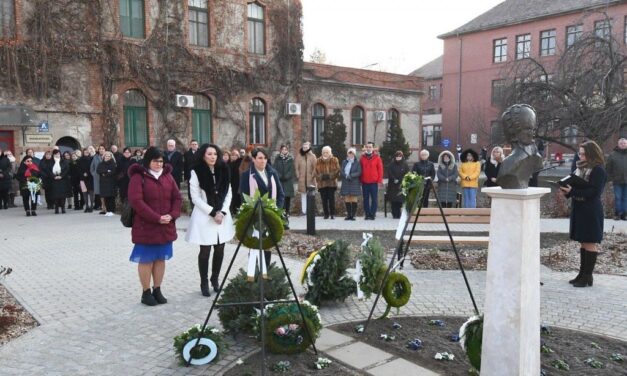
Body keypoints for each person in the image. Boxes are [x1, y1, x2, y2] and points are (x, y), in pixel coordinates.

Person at [128, 147, 182, 306]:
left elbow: (177, 198)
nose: (159, 164)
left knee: (160, 259)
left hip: (165, 226)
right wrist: (156, 218)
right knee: (146, 260)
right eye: (155, 161)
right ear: (148, 161)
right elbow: (136, 202)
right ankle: (146, 292)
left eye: (161, 161)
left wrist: (172, 215)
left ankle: (157, 289)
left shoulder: (168, 177)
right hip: (147, 226)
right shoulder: (139, 177)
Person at [185, 144, 234, 297]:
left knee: (220, 249)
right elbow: (195, 198)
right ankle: (204, 281)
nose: (213, 157)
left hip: (222, 216)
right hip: (204, 216)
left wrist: (223, 212)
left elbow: (228, 193)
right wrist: (213, 212)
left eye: (215, 154)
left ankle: (215, 278)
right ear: (203, 155)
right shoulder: (196, 171)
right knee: (205, 251)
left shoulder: (224, 169)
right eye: (209, 154)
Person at [559, 141, 607, 288]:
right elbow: (576, 186)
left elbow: (593, 192)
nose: (580, 156)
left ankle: (587, 276)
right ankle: (582, 274)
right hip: (579, 208)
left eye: (583, 153)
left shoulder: (598, 170)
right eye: (579, 153)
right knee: (583, 241)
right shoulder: (580, 169)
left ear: (592, 154)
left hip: (591, 210)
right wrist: (566, 190)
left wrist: (572, 192)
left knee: (590, 241)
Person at [239, 148, 285, 270]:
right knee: (255, 247)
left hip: (270, 216)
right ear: (253, 159)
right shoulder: (246, 176)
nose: (263, 161)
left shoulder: (272, 173)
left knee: (267, 245)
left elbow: (280, 194)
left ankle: (266, 273)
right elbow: (244, 198)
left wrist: (276, 210)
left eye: (265, 158)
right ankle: (253, 275)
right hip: (255, 217)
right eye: (260, 158)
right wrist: (254, 212)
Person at [360, 141, 384, 220]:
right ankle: (367, 214)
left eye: (370, 147)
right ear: (365, 148)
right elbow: (360, 169)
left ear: (373, 148)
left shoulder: (377, 158)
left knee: (374, 199)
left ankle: (372, 214)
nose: (369, 148)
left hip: (374, 182)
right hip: (365, 182)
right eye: (367, 147)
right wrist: (360, 180)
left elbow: (380, 170)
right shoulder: (362, 158)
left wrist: (379, 180)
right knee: (365, 199)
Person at [315, 146, 340, 219]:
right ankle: (326, 214)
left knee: (331, 199)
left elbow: (337, 170)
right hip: (322, 184)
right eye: (324, 152)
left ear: (330, 153)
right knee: (324, 199)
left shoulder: (334, 159)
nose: (325, 154)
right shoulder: (318, 160)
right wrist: (321, 176)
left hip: (331, 183)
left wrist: (329, 176)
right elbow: (315, 172)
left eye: (327, 152)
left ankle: (332, 214)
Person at [605, 137, 627, 220]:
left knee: (625, 198)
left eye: (624, 143)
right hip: (616, 180)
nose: (623, 144)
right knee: (618, 197)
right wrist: (609, 179)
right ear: (618, 144)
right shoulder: (612, 154)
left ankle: (624, 214)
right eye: (621, 143)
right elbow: (608, 168)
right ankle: (617, 214)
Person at [340, 147, 362, 220]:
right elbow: (342, 171)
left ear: (354, 154)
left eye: (352, 153)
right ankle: (349, 215)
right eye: (349, 153)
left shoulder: (357, 162)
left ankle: (353, 215)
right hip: (346, 182)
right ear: (347, 154)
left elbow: (359, 172)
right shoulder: (344, 162)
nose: (350, 155)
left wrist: (351, 175)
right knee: (347, 199)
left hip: (354, 182)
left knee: (354, 199)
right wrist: (346, 175)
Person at [386, 151, 409, 218]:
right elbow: (389, 173)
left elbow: (407, 173)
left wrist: (401, 180)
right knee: (394, 201)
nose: (398, 158)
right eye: (397, 156)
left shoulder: (405, 164)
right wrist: (394, 179)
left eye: (399, 156)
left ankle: (399, 214)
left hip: (401, 185)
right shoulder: (391, 164)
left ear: (402, 157)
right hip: (392, 185)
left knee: (400, 200)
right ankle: (394, 214)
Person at [273, 145, 295, 217]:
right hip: (280, 181)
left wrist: (286, 176)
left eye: (285, 149)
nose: (284, 150)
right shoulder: (277, 158)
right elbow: (274, 168)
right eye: (283, 149)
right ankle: (281, 211)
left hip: (288, 181)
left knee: (287, 197)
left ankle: (287, 211)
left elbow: (291, 170)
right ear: (281, 150)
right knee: (281, 196)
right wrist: (279, 176)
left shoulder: (290, 159)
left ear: (287, 150)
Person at [295, 141, 317, 215]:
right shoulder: (299, 156)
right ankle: (304, 211)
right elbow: (296, 167)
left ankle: (310, 211)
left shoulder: (313, 156)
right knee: (303, 196)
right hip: (302, 179)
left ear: (309, 147)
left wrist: (312, 175)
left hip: (310, 179)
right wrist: (298, 176)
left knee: (311, 195)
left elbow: (315, 167)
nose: (305, 148)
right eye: (304, 147)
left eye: (306, 147)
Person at [48, 150, 70, 214]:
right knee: (55, 195)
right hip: (54, 180)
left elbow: (66, 170)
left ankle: (63, 207)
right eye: (55, 154)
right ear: (53, 155)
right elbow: (48, 171)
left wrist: (61, 176)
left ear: (60, 154)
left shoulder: (64, 161)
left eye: (58, 154)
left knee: (63, 195)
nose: (57, 155)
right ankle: (56, 208)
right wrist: (53, 176)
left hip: (62, 180)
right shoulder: (51, 162)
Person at [97, 151, 117, 216]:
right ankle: (108, 210)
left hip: (111, 183)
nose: (107, 157)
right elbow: (98, 170)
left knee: (111, 197)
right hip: (103, 183)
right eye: (106, 156)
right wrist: (107, 171)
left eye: (109, 156)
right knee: (106, 197)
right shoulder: (101, 164)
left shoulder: (113, 163)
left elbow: (113, 172)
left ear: (111, 157)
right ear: (104, 156)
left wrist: (104, 173)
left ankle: (112, 210)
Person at [183, 140, 200, 209]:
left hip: (199, 175)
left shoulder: (201, 153)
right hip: (190, 175)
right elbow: (185, 166)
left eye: (195, 144)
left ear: (197, 145)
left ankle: (199, 208)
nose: (194, 145)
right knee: (191, 192)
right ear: (190, 145)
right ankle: (192, 208)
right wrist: (186, 178)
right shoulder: (187, 154)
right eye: (192, 144)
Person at [78, 147, 95, 212]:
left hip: (90, 178)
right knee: (84, 193)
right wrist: (83, 174)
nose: (86, 153)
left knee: (91, 192)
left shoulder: (92, 159)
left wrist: (88, 173)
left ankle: (91, 206)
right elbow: (78, 169)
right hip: (82, 178)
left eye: (87, 152)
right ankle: (87, 206)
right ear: (83, 152)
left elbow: (93, 167)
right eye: (85, 152)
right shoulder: (80, 160)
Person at [91, 145, 105, 211]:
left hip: (106, 177)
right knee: (98, 192)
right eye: (100, 149)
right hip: (97, 177)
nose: (101, 150)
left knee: (105, 192)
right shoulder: (95, 157)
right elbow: (92, 167)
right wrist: (94, 174)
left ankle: (105, 206)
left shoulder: (108, 155)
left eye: (102, 149)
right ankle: (99, 205)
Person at [229, 148, 243, 215]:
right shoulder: (229, 163)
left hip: (238, 182)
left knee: (237, 197)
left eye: (236, 155)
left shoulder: (240, 162)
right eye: (233, 155)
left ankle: (237, 210)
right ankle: (232, 210)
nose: (234, 156)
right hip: (230, 183)